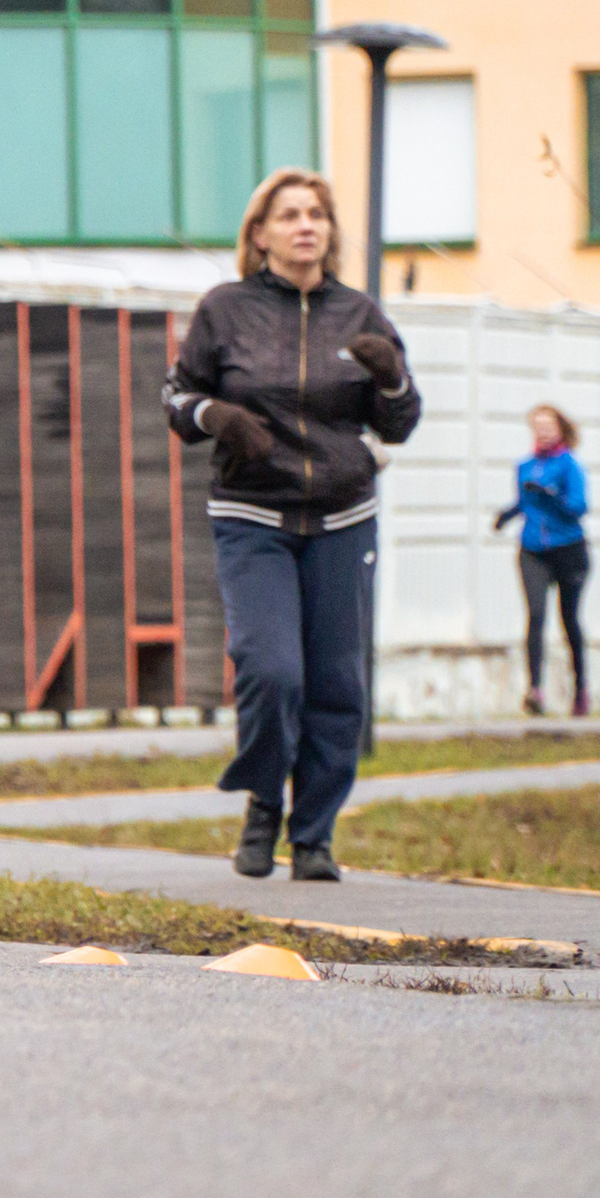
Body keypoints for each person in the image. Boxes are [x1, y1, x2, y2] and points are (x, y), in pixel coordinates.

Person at [164, 167, 420, 884]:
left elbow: (399, 421)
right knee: (272, 668)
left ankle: (314, 836)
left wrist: (392, 376)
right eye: (290, 215)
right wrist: (215, 415)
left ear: (330, 231)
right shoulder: (225, 309)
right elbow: (177, 397)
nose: (306, 225)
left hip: (343, 516)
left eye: (317, 214)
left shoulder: (359, 312)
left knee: (337, 683)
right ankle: (261, 803)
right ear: (260, 233)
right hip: (252, 515)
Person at [496, 404, 590, 717]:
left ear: (560, 429)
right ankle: (534, 690)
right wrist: (505, 516)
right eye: (537, 427)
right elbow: (524, 503)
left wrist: (551, 495)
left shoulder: (569, 465)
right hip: (533, 549)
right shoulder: (524, 466)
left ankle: (581, 691)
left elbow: (578, 507)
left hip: (569, 550)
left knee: (568, 620)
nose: (543, 432)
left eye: (548, 427)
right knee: (535, 615)